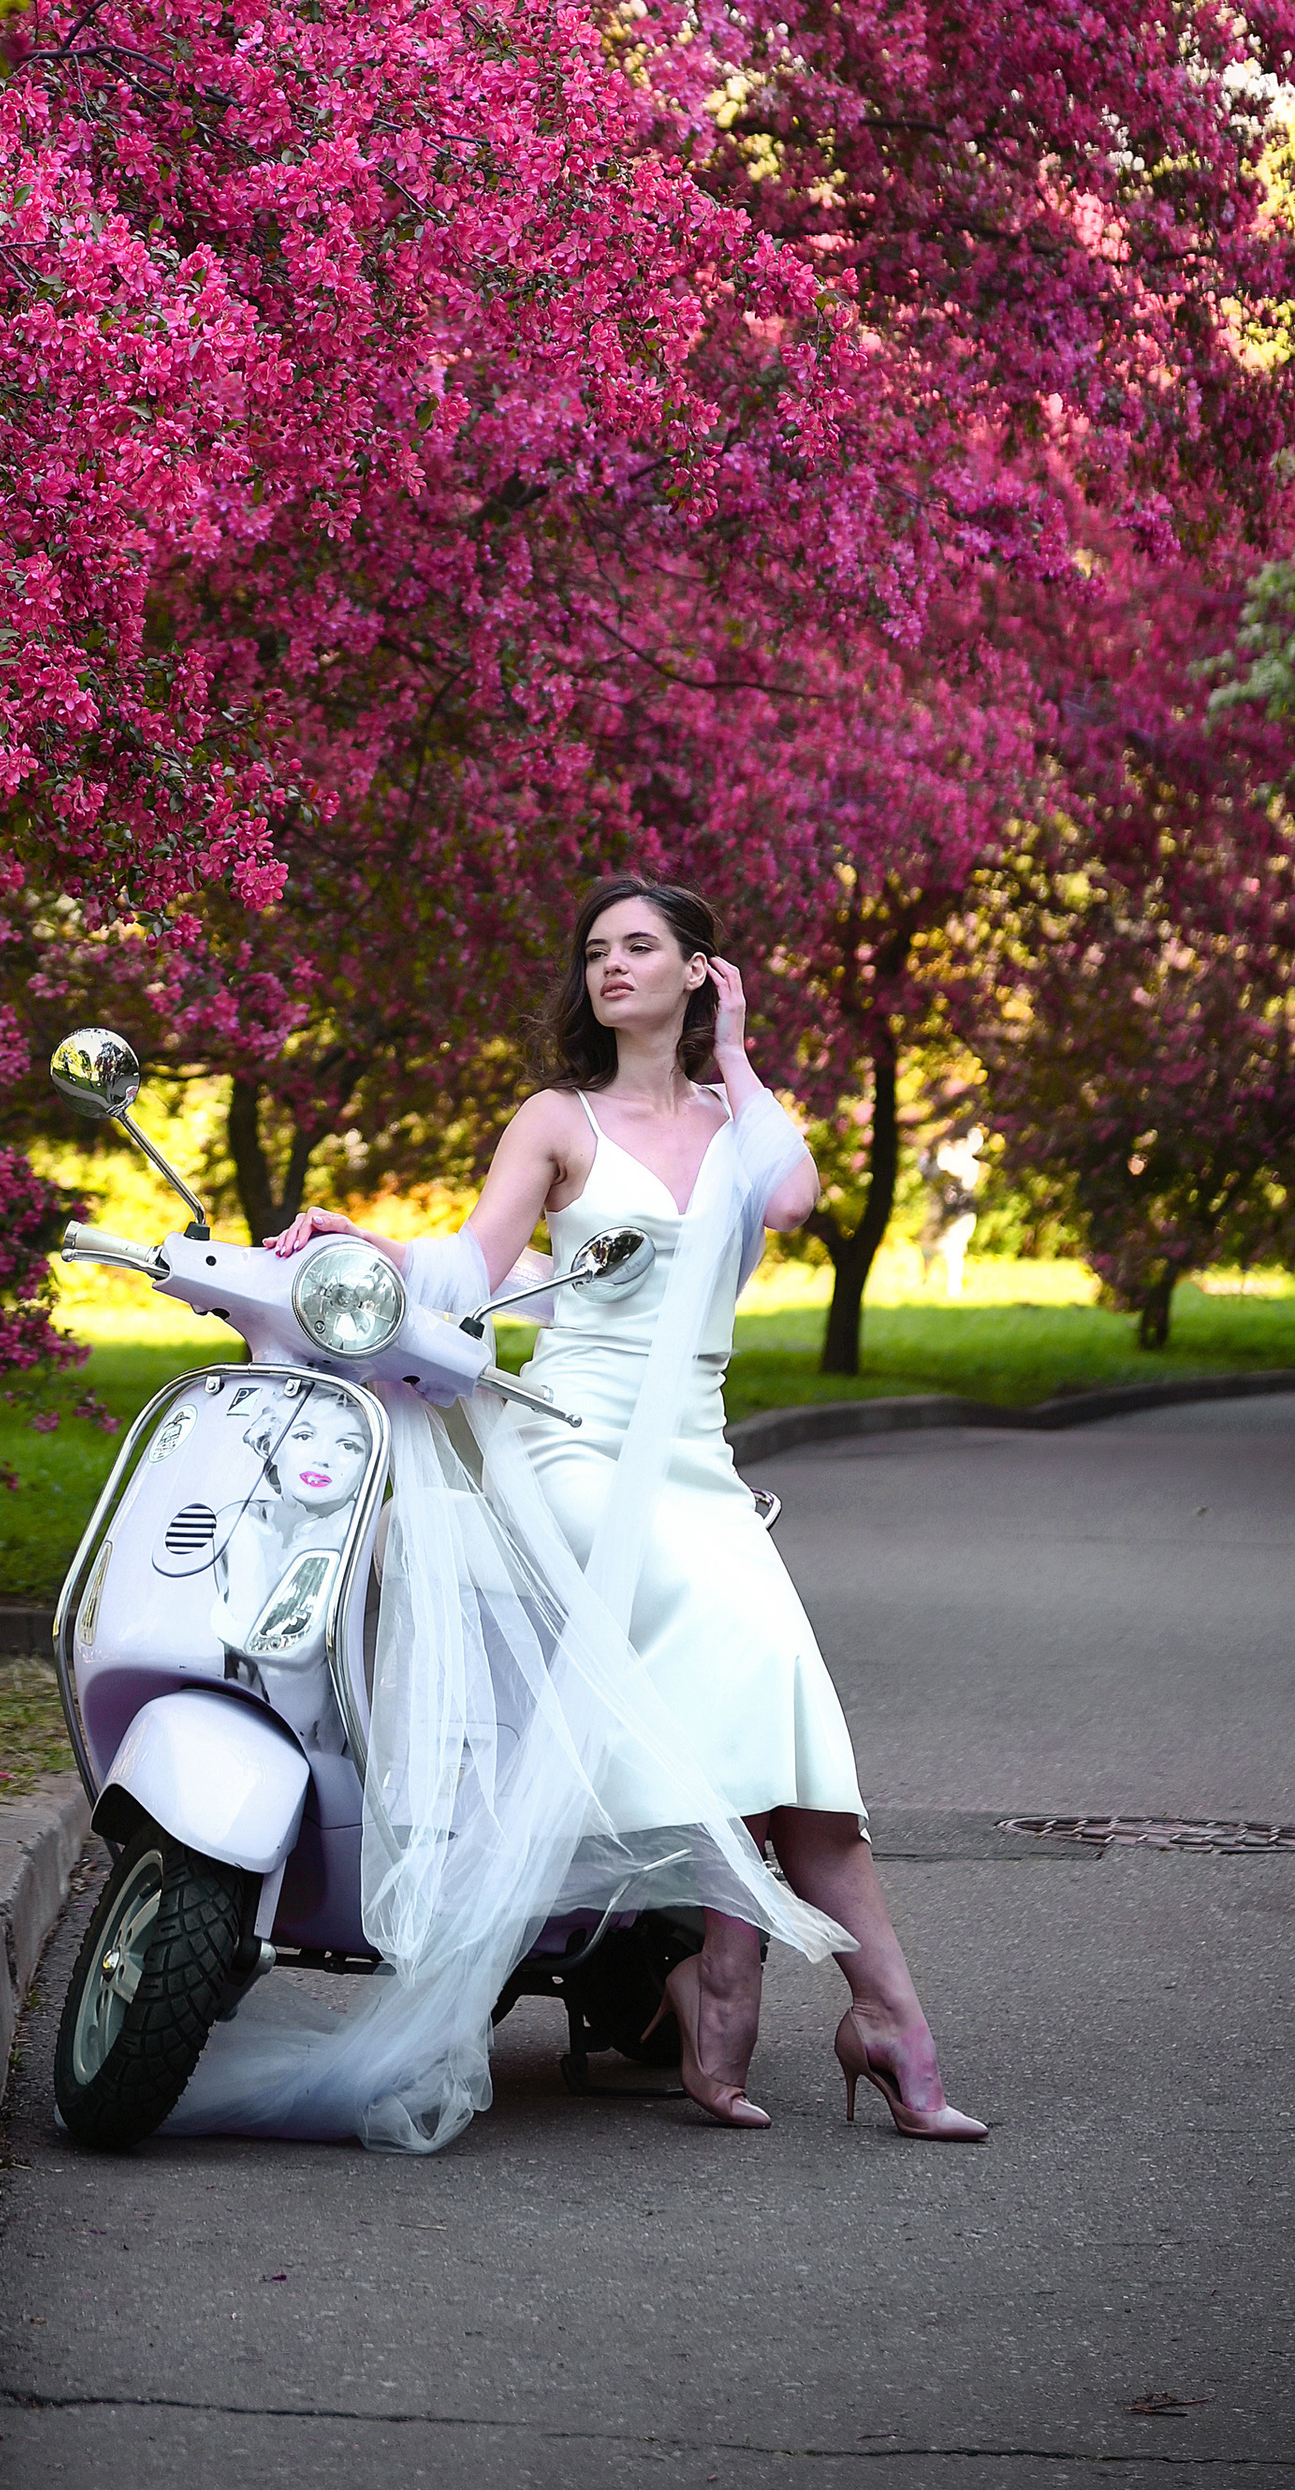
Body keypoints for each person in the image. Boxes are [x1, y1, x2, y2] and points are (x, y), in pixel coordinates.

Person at [268, 875, 984, 2141]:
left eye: (641, 947)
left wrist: (741, 1051)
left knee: (795, 1739)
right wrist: (357, 1247)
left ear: (697, 971)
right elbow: (471, 1268)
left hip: (696, 1464)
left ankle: (861, 2013)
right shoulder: (556, 1117)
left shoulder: (737, 1120)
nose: (610, 966)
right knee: (756, 1664)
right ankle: (741, 1976)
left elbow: (790, 1201)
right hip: (576, 1454)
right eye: (595, 948)